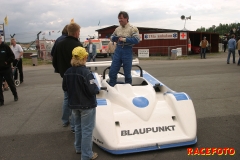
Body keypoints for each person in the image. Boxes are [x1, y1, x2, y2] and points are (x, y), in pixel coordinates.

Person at [62, 46, 99, 160]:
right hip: (87, 105)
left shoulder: (67, 72)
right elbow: (93, 90)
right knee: (87, 130)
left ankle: (78, 148)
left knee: (78, 127)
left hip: (74, 105)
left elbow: (65, 88)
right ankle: (87, 154)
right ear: (84, 58)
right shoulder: (86, 73)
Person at [52, 22, 83, 132]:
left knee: (66, 98)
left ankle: (65, 120)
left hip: (64, 74)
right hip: (76, 75)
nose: (79, 34)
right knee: (75, 100)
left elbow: (54, 60)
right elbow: (82, 61)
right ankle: (74, 126)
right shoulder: (77, 45)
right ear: (75, 33)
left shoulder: (59, 43)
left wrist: (60, 70)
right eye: (79, 32)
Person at [108, 11, 140, 87]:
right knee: (112, 72)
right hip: (118, 50)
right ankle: (112, 87)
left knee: (127, 74)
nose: (119, 20)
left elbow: (137, 40)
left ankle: (128, 88)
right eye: (119, 19)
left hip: (127, 50)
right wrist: (115, 38)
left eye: (121, 18)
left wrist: (124, 39)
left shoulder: (133, 29)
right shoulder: (117, 29)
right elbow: (111, 37)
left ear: (126, 18)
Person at [0, 36, 18, 106]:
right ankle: (1, 101)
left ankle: (15, 95)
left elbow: (12, 56)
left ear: (0, 39)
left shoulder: (5, 47)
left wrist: (7, 62)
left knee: (10, 83)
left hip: (6, 69)